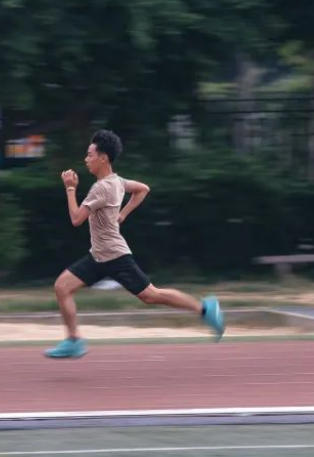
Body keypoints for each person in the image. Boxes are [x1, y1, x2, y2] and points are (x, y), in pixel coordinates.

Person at [46, 129, 225, 359]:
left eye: (90, 155)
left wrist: (70, 188)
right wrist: (123, 214)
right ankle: (74, 341)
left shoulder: (101, 188)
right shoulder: (118, 181)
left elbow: (76, 219)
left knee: (151, 295)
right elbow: (142, 189)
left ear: (104, 158)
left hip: (115, 257)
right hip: (99, 256)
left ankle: (205, 308)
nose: (86, 159)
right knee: (62, 287)